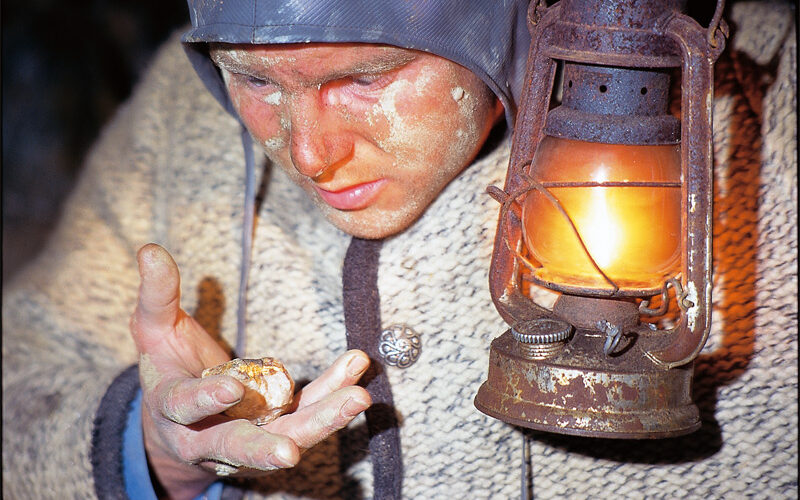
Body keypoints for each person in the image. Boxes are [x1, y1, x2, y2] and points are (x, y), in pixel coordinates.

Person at [2, 1, 796, 499]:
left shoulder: (766, 87)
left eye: (366, 77)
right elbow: (21, 369)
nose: (311, 154)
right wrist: (152, 449)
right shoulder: (180, 111)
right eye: (258, 83)